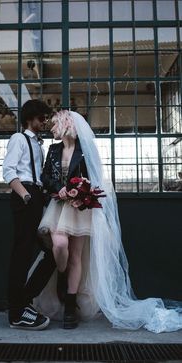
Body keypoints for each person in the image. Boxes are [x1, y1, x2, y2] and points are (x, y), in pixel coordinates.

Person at [36, 109, 182, 333]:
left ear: (66, 125)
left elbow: (96, 179)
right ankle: (62, 276)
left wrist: (82, 192)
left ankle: (70, 307)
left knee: (76, 256)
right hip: (58, 206)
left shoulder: (86, 149)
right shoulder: (53, 150)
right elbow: (46, 176)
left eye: (55, 124)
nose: (52, 128)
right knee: (60, 244)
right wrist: (60, 189)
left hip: (80, 209)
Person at [3, 99, 56, 330]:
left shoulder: (39, 144)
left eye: (46, 117)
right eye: (41, 117)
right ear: (29, 119)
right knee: (22, 253)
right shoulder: (19, 139)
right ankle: (16, 313)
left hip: (37, 196)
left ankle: (24, 301)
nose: (44, 121)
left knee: (53, 252)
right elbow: (8, 171)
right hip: (25, 195)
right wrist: (26, 196)